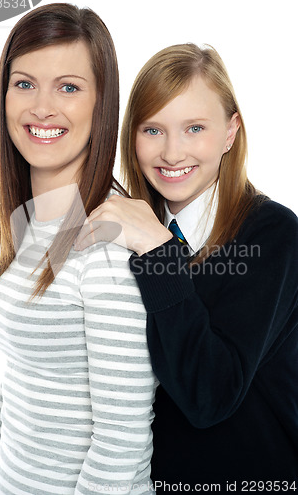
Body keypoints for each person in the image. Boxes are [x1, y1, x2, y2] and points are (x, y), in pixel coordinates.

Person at [75, 43, 298, 488]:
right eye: (152, 130)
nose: (172, 153)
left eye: (194, 128)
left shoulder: (273, 234)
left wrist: (159, 253)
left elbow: (208, 396)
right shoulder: (133, 227)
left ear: (231, 132)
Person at [0, 3, 157, 495]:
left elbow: (122, 442)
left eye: (69, 87)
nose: (41, 107)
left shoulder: (107, 243)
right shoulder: (32, 220)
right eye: (24, 83)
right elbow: (18, 387)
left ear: (102, 104)